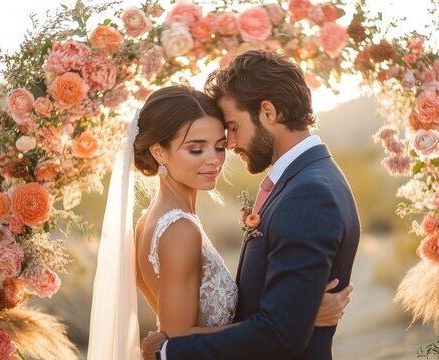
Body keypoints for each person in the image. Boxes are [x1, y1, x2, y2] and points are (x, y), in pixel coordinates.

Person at [86, 84, 352, 359]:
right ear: (159, 152)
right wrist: (299, 318)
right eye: (196, 149)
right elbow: (177, 341)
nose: (214, 160)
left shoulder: (150, 219)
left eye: (220, 146)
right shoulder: (179, 230)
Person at [142, 50, 361, 360]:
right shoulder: (307, 180)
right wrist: (302, 313)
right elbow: (281, 321)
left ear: (268, 112)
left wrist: (168, 352)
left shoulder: (309, 193)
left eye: (232, 128)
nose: (229, 145)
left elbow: (282, 333)